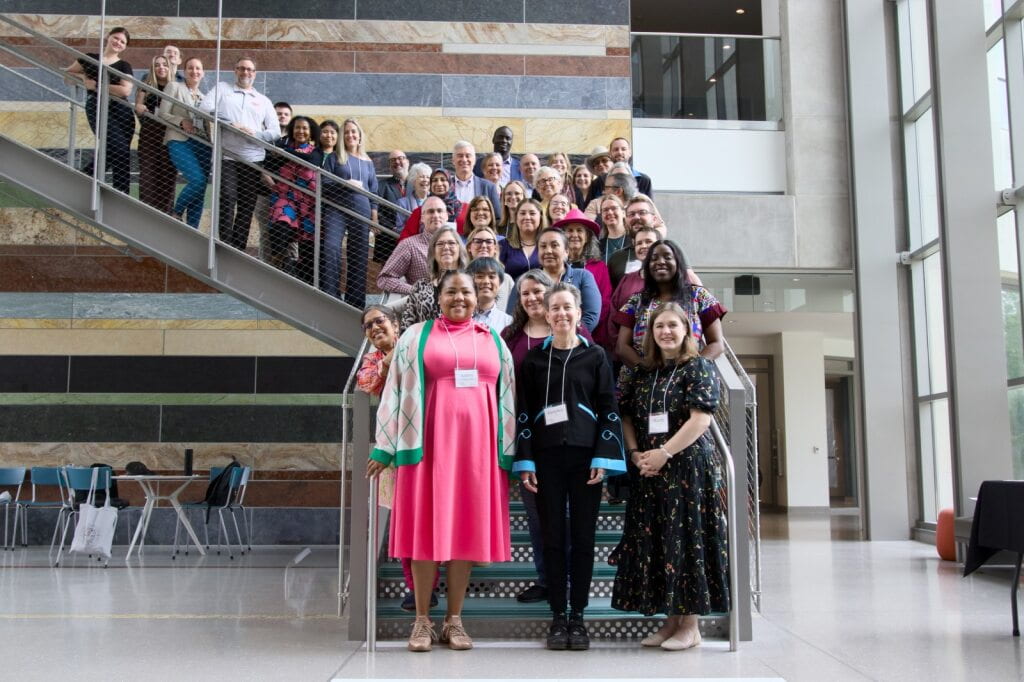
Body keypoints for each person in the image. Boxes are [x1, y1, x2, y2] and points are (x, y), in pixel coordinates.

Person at [368, 270, 516, 652]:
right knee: (424, 533)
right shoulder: (416, 336)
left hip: (477, 454)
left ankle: (454, 620)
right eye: (451, 291)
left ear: (478, 297)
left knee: (463, 533)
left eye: (466, 292)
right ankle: (421, 621)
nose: (459, 298)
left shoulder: (494, 339)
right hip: (426, 449)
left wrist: (510, 452)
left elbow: (508, 400)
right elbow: (394, 390)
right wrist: (384, 446)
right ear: (439, 296)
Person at [514, 282, 626, 650]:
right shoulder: (533, 361)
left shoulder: (596, 357)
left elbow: (608, 407)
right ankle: (557, 615)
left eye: (568, 307)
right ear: (546, 315)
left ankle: (578, 615)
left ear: (579, 314)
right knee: (552, 538)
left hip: (585, 459)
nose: (561, 313)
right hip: (546, 459)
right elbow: (524, 412)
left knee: (582, 538)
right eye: (555, 308)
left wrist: (603, 458)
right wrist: (526, 459)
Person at [610, 303, 727, 650]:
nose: (666, 332)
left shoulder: (699, 367)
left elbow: (700, 419)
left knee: (686, 542)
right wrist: (635, 454)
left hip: (687, 468)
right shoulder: (642, 373)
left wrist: (665, 453)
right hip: (648, 469)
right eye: (659, 326)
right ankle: (670, 622)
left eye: (673, 325)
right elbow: (626, 416)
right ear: (650, 333)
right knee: (661, 544)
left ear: (687, 330)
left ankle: (690, 626)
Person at [356, 305, 440, 612]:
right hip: (395, 447)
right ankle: (419, 588)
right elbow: (366, 383)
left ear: (395, 323)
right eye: (368, 326)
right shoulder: (372, 360)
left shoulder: (419, 345)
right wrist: (389, 360)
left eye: (379, 321)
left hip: (431, 441)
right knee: (405, 520)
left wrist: (397, 355)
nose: (375, 328)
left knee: (436, 514)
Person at [614, 239, 726, 392]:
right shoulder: (636, 301)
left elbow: (717, 344)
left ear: (678, 263)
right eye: (654, 258)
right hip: (642, 383)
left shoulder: (699, 296)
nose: (660, 262)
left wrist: (693, 369)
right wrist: (647, 370)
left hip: (688, 383)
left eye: (667, 257)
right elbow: (622, 347)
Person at [199, 57, 279, 251]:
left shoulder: (263, 100)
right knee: (227, 198)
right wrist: (231, 124)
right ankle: (224, 244)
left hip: (253, 159)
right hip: (228, 156)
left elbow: (275, 131)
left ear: (255, 74)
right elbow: (204, 108)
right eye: (242, 68)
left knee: (247, 205)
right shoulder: (223, 89)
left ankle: (238, 249)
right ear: (235, 70)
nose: (245, 72)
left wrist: (255, 135)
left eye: (249, 69)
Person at [64, 26, 136, 194]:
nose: (118, 42)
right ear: (108, 37)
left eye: (122, 42)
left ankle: (119, 194)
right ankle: (87, 178)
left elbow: (125, 91)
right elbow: (68, 75)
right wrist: (83, 78)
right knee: (118, 148)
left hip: (122, 111)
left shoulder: (124, 65)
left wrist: (97, 85)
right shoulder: (90, 58)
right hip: (96, 106)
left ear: (125, 47)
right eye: (116, 38)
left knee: (119, 152)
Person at [320, 118, 378, 308]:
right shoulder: (334, 157)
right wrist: (345, 183)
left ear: (359, 135)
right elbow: (324, 183)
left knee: (359, 254)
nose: (350, 135)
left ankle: (356, 302)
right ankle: (331, 296)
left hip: (362, 209)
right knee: (331, 247)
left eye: (353, 131)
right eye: (346, 132)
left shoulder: (368, 162)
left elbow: (374, 191)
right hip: (337, 208)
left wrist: (374, 216)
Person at [510, 227, 601, 333]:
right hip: (532, 338)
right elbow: (511, 316)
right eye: (543, 246)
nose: (548, 251)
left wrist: (563, 336)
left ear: (566, 251)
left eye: (554, 245)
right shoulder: (524, 281)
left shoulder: (583, 276)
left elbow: (591, 316)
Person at [265, 116, 322, 283]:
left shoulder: (315, 151)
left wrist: (285, 153)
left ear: (311, 132)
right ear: (292, 130)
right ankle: (281, 262)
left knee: (308, 247)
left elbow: (311, 161)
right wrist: (285, 152)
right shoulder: (282, 146)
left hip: (309, 204)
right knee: (281, 223)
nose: (301, 131)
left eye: (305, 128)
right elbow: (269, 164)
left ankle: (304, 280)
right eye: (297, 127)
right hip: (286, 197)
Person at [160, 57, 210, 229]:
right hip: (179, 140)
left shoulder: (205, 98)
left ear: (203, 73)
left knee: (201, 189)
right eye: (190, 68)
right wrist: (181, 121)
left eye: (198, 68)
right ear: (184, 71)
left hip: (203, 145)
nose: (194, 71)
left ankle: (193, 229)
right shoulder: (174, 86)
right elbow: (162, 113)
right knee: (197, 180)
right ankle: (176, 212)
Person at [555, 210, 613, 347]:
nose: (574, 235)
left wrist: (581, 332)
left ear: (587, 237)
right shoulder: (555, 266)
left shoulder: (599, 267)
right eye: (570, 230)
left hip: (591, 337)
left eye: (579, 230)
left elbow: (605, 304)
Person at [400, 226, 469, 329]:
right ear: (433, 252)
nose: (446, 247)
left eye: (451, 243)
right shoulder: (420, 286)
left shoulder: (470, 284)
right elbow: (407, 324)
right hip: (425, 338)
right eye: (440, 244)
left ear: (459, 249)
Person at [378, 195, 448, 295]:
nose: (436, 215)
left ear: (446, 216)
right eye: (430, 211)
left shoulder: (457, 244)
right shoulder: (409, 245)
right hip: (424, 302)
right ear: (422, 218)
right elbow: (384, 279)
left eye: (440, 211)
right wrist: (416, 291)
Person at [607, 224, 660, 351]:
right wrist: (620, 349)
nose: (643, 246)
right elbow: (613, 315)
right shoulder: (627, 279)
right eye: (639, 243)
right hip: (628, 353)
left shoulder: (673, 277)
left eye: (649, 241)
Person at [134, 55, 176, 215]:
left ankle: (166, 215)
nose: (161, 67)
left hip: (170, 135)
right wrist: (139, 107)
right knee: (148, 174)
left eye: (164, 64)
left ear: (170, 67)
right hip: (150, 135)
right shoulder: (146, 86)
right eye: (157, 65)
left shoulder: (176, 87)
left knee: (168, 174)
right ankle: (147, 214)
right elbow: (138, 106)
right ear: (153, 68)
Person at [398, 168, 466, 239]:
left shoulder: (465, 209)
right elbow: (405, 238)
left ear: (450, 183)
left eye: (443, 180)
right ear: (430, 185)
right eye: (435, 180)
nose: (439, 183)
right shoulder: (420, 212)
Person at [451, 141, 502, 222]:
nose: (464, 159)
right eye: (460, 156)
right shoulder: (446, 186)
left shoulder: (488, 187)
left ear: (474, 160)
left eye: (468, 156)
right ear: (453, 160)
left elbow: (497, 218)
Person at [466, 226, 513, 311]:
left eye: (489, 242)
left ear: (495, 248)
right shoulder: (461, 278)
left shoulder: (507, 280)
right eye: (478, 241)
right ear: (469, 247)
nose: (484, 245)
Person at [376, 149, 410, 263]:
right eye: (393, 160)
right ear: (389, 166)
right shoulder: (381, 185)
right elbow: (377, 210)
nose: (397, 162)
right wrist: (392, 228)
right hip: (389, 237)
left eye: (400, 158)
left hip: (413, 234)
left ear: (407, 162)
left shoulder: (417, 184)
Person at [499, 198, 545, 280]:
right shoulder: (503, 245)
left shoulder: (548, 245)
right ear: (516, 218)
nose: (527, 217)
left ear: (540, 217)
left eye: (532, 213)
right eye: (522, 213)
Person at [467, 257, 513, 332]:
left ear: (500, 283)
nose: (486, 281)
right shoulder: (457, 319)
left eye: (492, 277)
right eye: (480, 276)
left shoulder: (509, 323)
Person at [597, 194, 628, 263]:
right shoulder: (598, 247)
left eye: (614, 208)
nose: (610, 212)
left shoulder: (634, 240)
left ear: (623, 213)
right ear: (601, 216)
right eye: (605, 210)